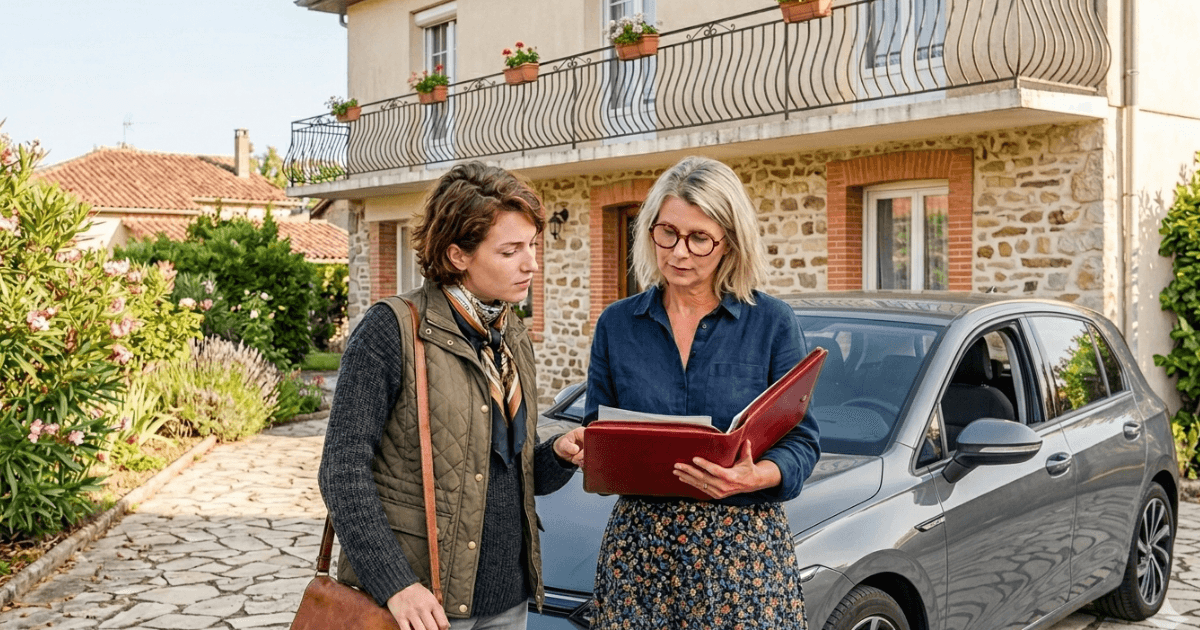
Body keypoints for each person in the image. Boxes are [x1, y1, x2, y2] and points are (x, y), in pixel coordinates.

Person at [319, 162, 586, 630]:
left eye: (532, 246)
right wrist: (395, 584)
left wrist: (558, 456)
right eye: (511, 251)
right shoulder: (392, 330)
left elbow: (506, 477)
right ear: (458, 254)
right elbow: (341, 471)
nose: (531, 264)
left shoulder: (510, 334)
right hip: (425, 606)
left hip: (508, 596)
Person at [583, 155, 821, 629]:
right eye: (667, 232)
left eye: (699, 239)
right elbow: (597, 428)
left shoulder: (771, 322)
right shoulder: (617, 324)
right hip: (639, 555)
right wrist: (582, 446)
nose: (679, 253)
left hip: (742, 551)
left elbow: (803, 441)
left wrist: (759, 476)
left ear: (729, 242)